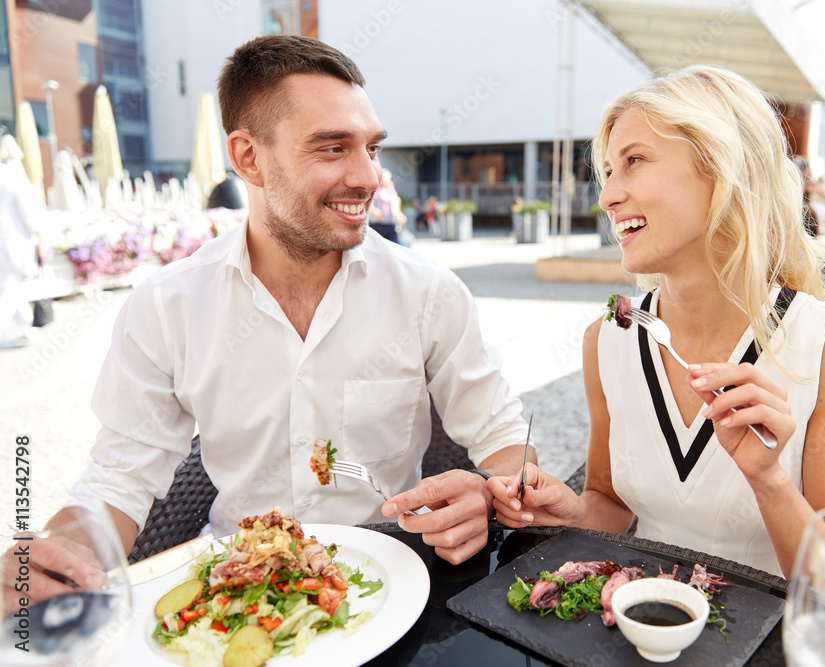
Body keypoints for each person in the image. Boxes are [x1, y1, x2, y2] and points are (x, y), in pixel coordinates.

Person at [4, 35, 533, 612]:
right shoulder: (167, 305)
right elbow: (118, 483)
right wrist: (53, 554)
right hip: (238, 591)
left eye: (372, 148)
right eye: (332, 148)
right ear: (248, 157)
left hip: (393, 587)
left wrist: (488, 492)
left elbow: (508, 446)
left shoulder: (429, 293)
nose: (368, 177)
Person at [488, 66, 825, 590]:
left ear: (724, 170)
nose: (606, 197)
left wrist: (769, 481)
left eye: (634, 161)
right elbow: (611, 503)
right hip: (634, 624)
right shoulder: (608, 339)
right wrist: (572, 511)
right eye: (607, 171)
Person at [0, 134, 42, 349]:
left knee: (9, 284)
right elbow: (28, 212)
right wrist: (37, 234)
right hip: (12, 240)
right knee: (9, 286)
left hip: (7, 242)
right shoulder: (12, 175)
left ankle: (25, 325)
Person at [368, 167, 406, 244]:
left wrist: (399, 215)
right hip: (377, 225)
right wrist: (377, 213)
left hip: (390, 225)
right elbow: (369, 205)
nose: (387, 181)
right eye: (385, 178)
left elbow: (395, 203)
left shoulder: (391, 190)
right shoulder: (374, 190)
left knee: (394, 247)